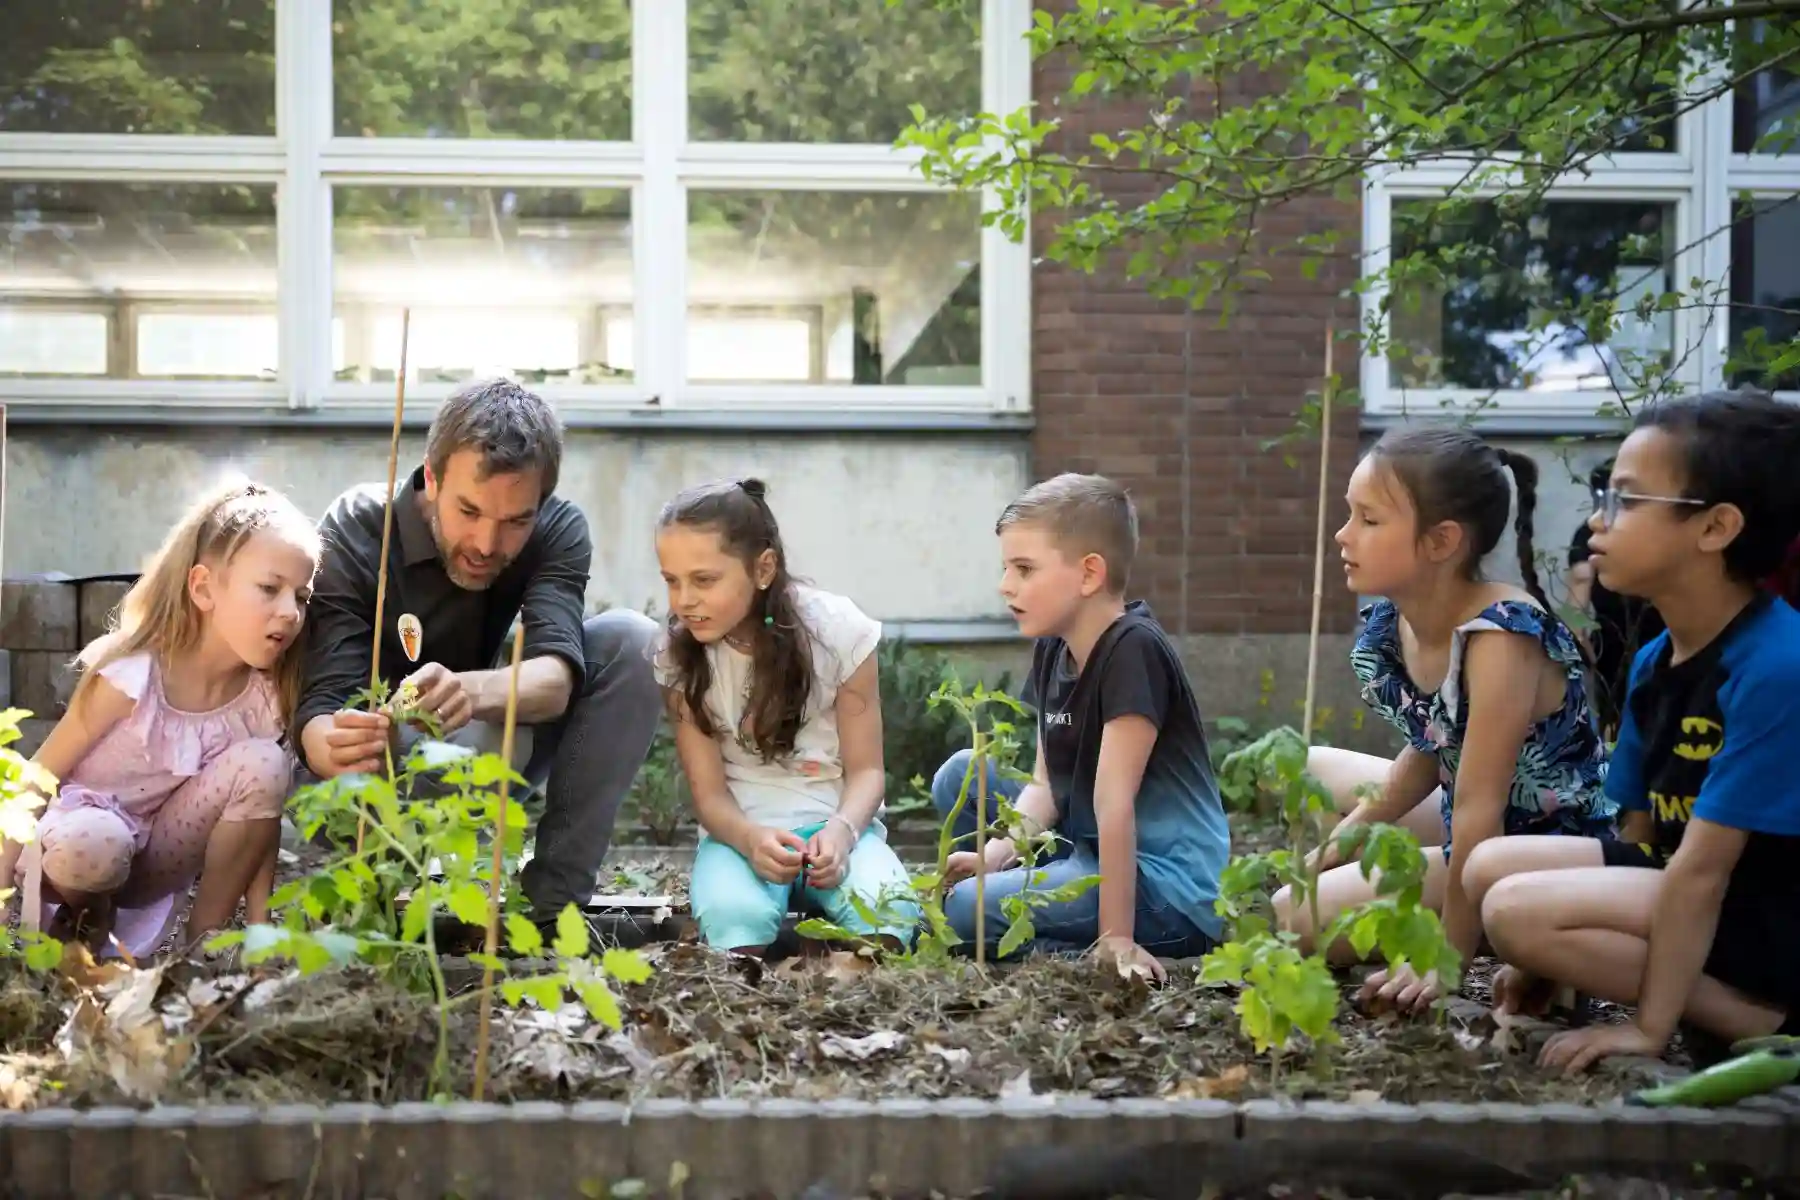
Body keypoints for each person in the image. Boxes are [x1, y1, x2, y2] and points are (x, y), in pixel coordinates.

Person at [1473, 389, 1800, 1074]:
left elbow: (1702, 873)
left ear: (1716, 528)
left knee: (1514, 911)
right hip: (1698, 892)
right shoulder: (1658, 656)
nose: (1597, 521)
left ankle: (1760, 1019)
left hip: (1769, 921)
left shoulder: (1778, 666)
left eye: (1625, 500)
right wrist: (1553, 966)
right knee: (1487, 868)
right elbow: (1638, 838)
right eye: (1604, 495)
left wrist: (1648, 1029)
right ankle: (1703, 996)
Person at [1272, 427, 1616, 1015]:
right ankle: (1456, 915)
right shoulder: (1396, 622)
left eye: (1369, 520)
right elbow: (1432, 748)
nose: (1343, 535)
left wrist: (1444, 958)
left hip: (1535, 843)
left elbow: (1481, 803)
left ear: (1441, 541)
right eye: (1348, 514)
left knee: (1290, 918)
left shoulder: (1501, 635)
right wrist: (1341, 843)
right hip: (1471, 821)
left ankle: (1496, 932)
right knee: (1312, 768)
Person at [295, 378, 661, 929]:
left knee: (633, 642)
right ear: (432, 477)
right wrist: (331, 741)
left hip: (483, 742)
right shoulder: (357, 526)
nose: (488, 545)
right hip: (364, 772)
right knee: (465, 732)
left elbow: (557, 677)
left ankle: (549, 910)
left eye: (517, 520)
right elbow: (324, 703)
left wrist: (462, 690)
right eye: (468, 511)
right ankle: (369, 901)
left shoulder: (557, 529)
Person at [0, 481, 319, 958]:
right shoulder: (134, 675)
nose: (290, 612)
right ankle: (78, 932)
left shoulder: (264, 698)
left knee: (266, 765)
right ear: (204, 588)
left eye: (302, 596)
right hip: (79, 846)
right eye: (270, 589)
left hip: (159, 856)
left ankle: (198, 950)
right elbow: (42, 773)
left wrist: (260, 935)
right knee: (98, 843)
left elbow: (262, 824)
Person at [936, 473, 1228, 980]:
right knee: (962, 776)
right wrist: (996, 854)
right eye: (1006, 567)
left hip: (1165, 888)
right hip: (1088, 842)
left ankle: (1105, 952)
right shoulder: (1054, 647)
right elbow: (1047, 784)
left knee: (964, 911)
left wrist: (1117, 938)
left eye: (1024, 569)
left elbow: (1114, 804)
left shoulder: (1133, 650)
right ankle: (1038, 895)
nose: (1005, 585)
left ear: (1090, 574)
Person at [651, 478, 917, 955]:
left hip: (839, 829)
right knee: (734, 919)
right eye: (672, 580)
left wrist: (842, 832)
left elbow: (869, 772)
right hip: (740, 834)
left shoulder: (839, 634)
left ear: (763, 568)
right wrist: (750, 840)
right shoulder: (680, 657)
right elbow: (708, 795)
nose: (683, 600)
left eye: (704, 579)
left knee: (890, 908)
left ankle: (843, 993)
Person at [1566, 459, 1666, 740]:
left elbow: (1580, 584)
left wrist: (1576, 634)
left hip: (1626, 633)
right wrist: (1576, 633)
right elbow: (1580, 580)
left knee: (1619, 712)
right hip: (1622, 634)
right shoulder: (1595, 531)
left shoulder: (1589, 531)